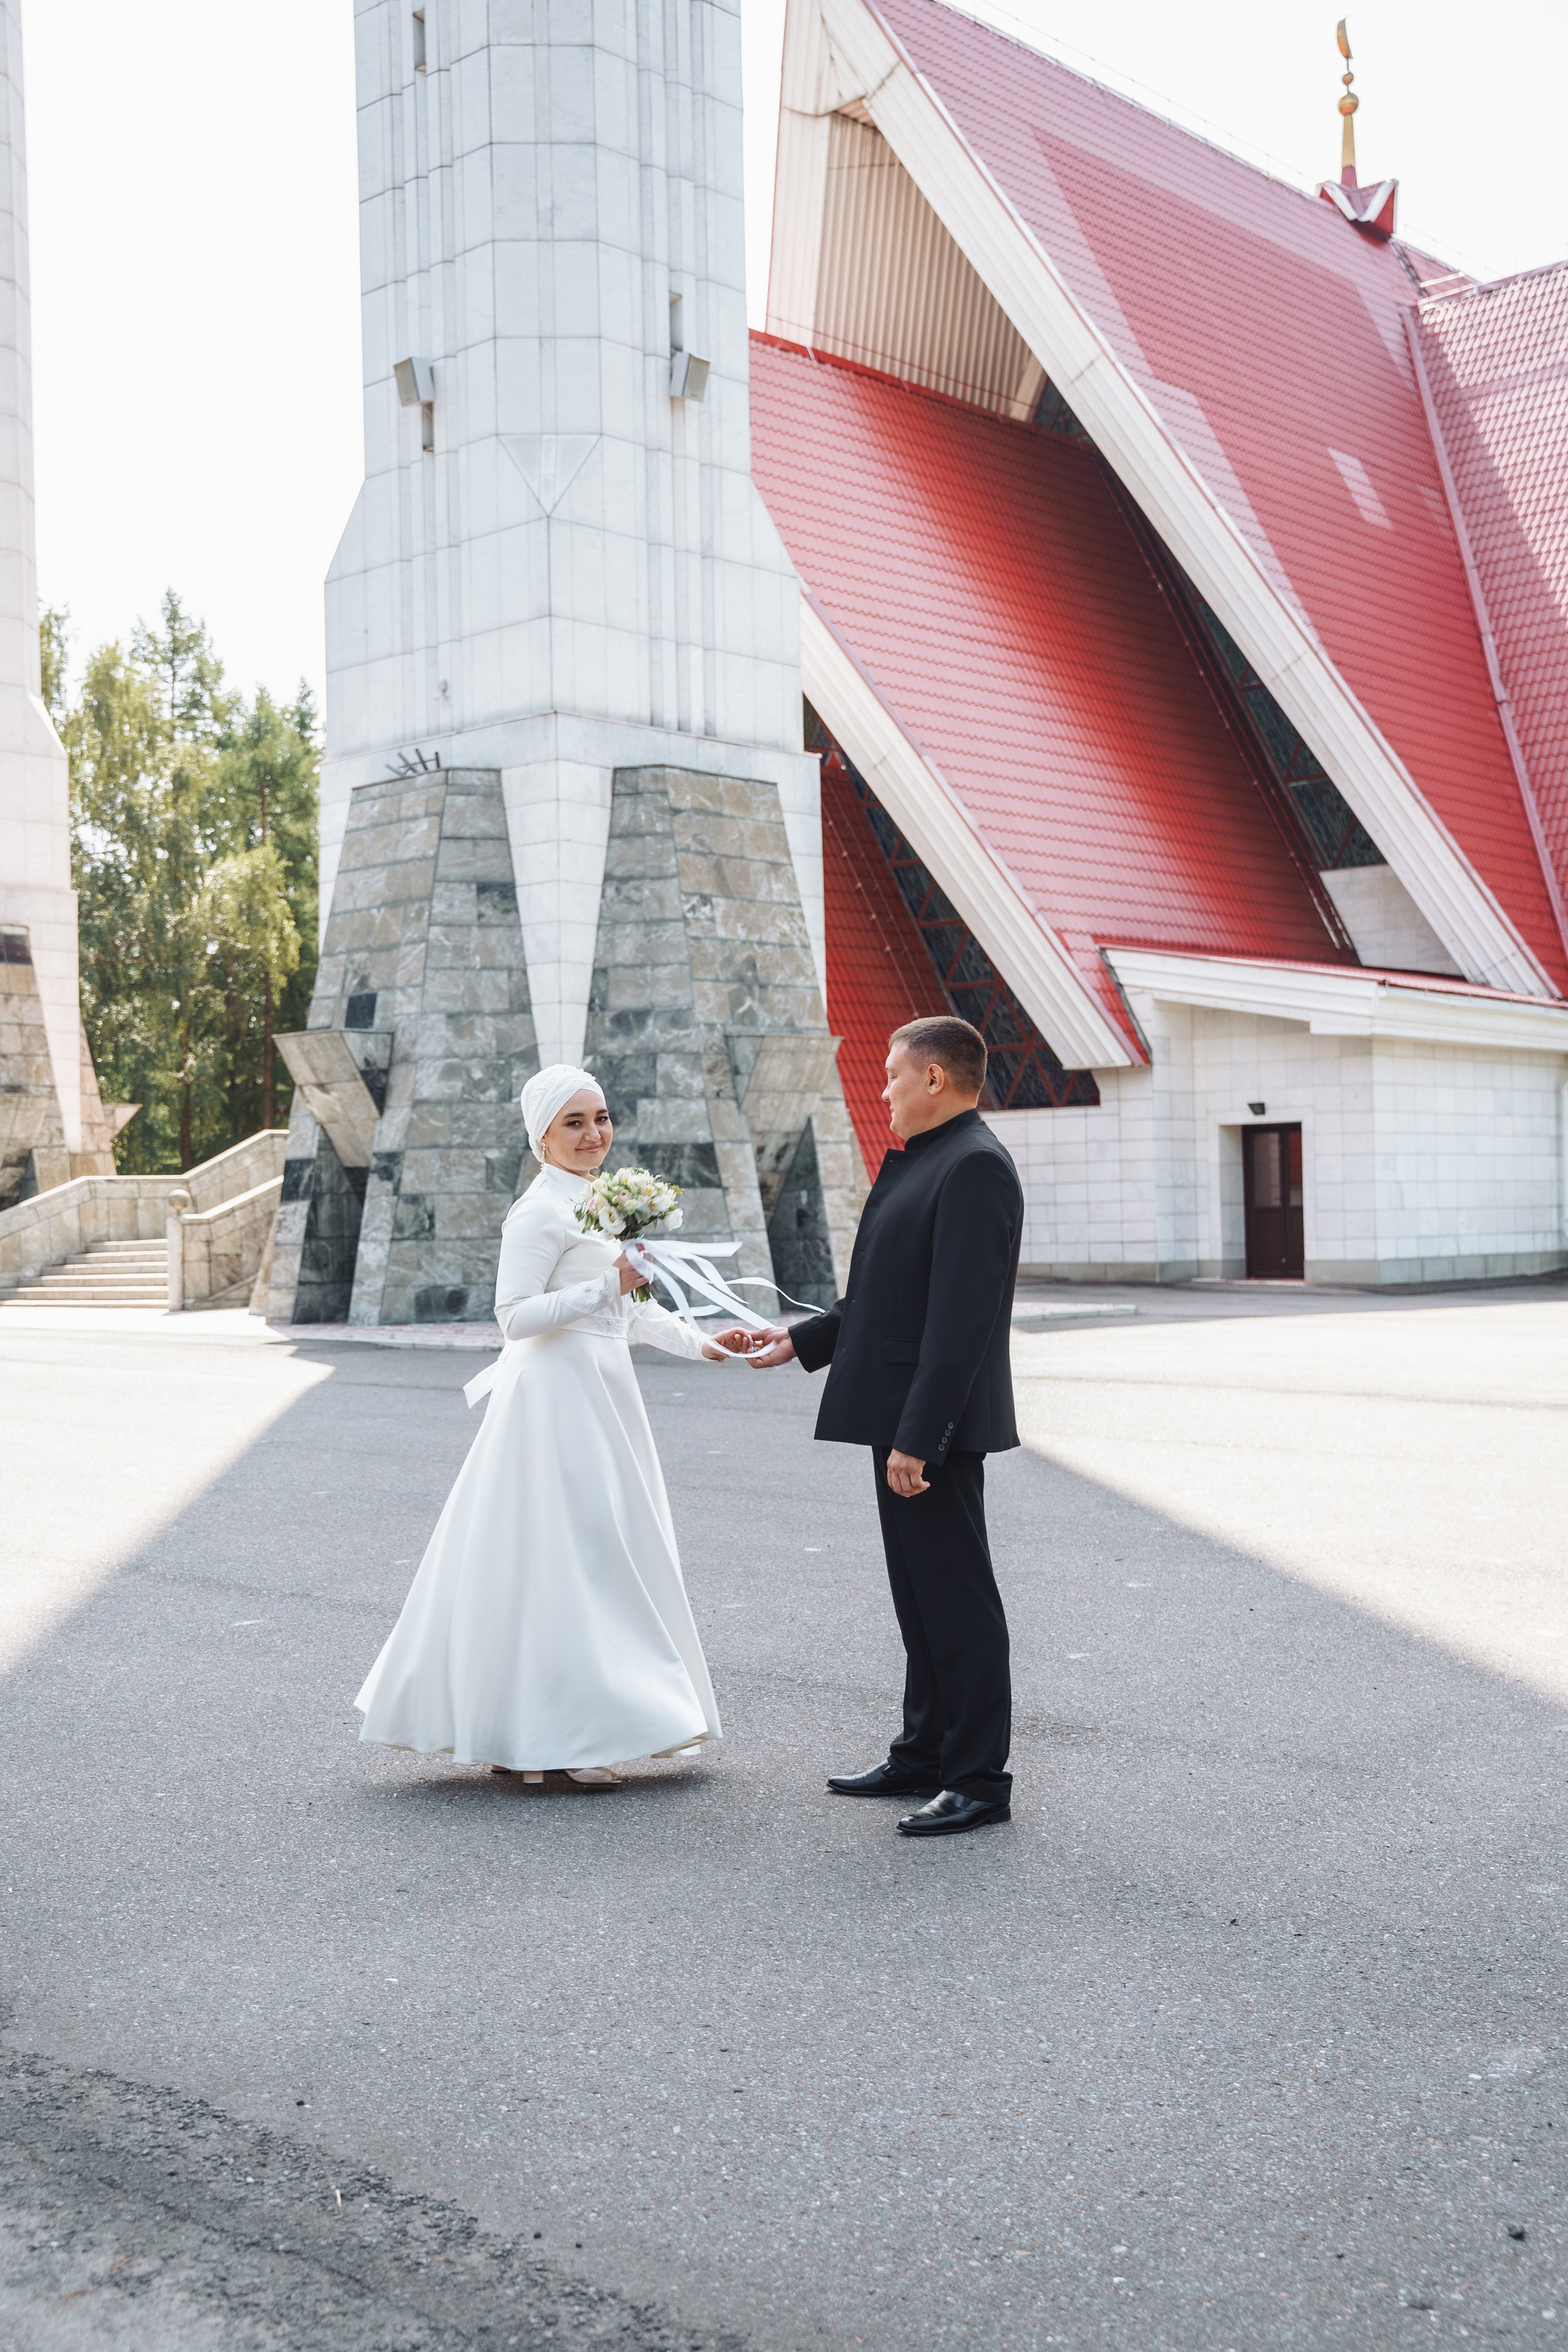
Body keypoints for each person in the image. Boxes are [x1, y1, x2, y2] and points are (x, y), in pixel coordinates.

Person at [355, 1064, 732, 1787]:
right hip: (556, 1396)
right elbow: (515, 1317)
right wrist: (606, 1283)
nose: (594, 1134)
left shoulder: (601, 1200)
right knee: (568, 1560)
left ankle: (537, 1733)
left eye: (601, 1118)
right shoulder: (539, 1212)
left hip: (604, 1388)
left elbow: (634, 1310)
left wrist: (706, 1344)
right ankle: (556, 1740)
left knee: (592, 1556)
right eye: (575, 1122)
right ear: (541, 1136)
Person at [723, 1017, 1022, 1837]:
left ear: (935, 1079)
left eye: (893, 1075)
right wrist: (801, 1338)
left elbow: (960, 1321)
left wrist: (921, 1435)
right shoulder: (930, 1162)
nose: (882, 1088)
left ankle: (978, 1780)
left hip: (933, 1427)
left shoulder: (975, 1168)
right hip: (901, 1414)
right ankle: (924, 1753)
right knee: (920, 1600)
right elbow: (889, 1298)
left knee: (957, 1603)